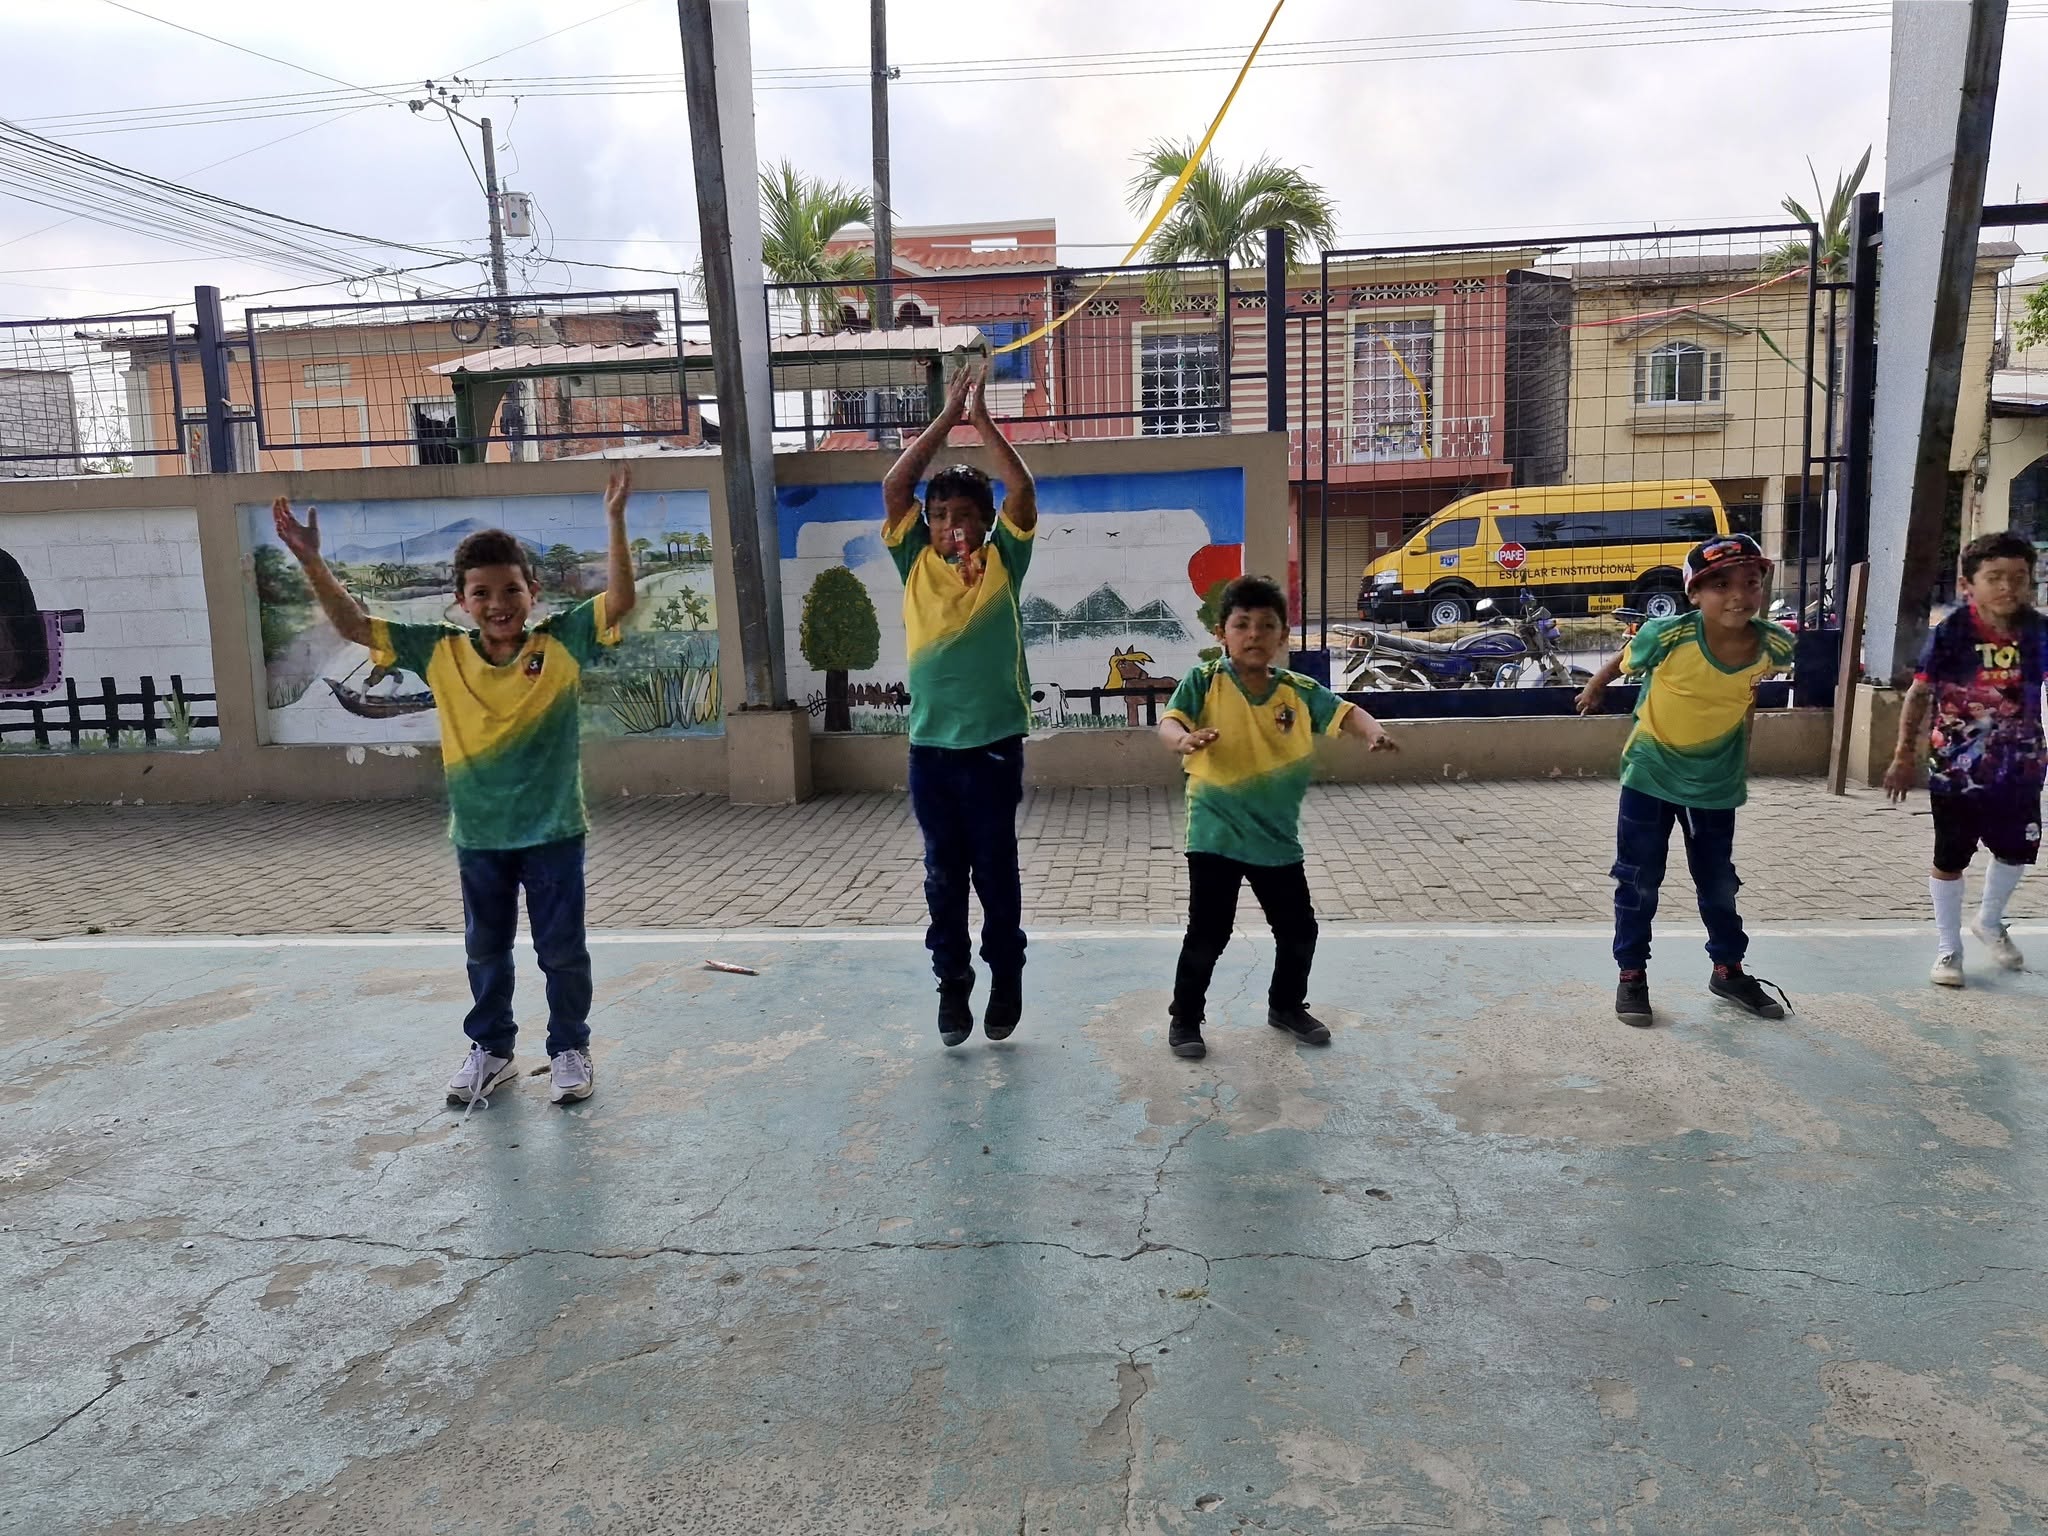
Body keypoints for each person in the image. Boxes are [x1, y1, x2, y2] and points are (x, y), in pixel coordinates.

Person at [271, 469, 638, 1106]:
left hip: (554, 832)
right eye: (482, 592)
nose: (499, 603)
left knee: (561, 953)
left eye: (511, 589)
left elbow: (621, 600)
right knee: (486, 951)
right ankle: (492, 1050)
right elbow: (355, 625)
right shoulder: (439, 651)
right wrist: (310, 559)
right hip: (479, 835)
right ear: (461, 601)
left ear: (533, 593)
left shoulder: (562, 643)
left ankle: (568, 1049)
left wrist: (615, 519)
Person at [1157, 574, 1396, 1060]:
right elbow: (1171, 720)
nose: (1254, 635)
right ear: (1222, 633)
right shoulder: (1203, 681)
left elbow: (1346, 712)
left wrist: (1373, 732)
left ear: (1283, 636)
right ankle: (1185, 1018)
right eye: (1242, 624)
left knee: (1298, 931)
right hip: (1215, 833)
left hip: (1276, 838)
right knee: (1209, 933)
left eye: (1266, 625)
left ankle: (1286, 1006)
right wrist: (1182, 740)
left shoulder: (1297, 690)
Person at [1575, 532, 1795, 1026]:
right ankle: (1631, 973)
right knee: (1638, 880)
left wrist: (1742, 753)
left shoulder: (1770, 644)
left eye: (1751, 582)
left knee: (1718, 882)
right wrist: (1594, 686)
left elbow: (1748, 695)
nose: (1738, 595)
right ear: (1694, 593)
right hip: (1649, 776)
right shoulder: (1667, 634)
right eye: (1721, 585)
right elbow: (1625, 658)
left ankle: (1728, 971)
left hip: (1714, 786)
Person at [881, 363, 1039, 1048]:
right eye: (941, 516)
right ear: (927, 524)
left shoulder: (1005, 562)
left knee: (995, 871)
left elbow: (1022, 489)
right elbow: (895, 487)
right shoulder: (913, 561)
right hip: (931, 753)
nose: (952, 526)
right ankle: (953, 983)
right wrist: (945, 420)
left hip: (994, 746)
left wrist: (982, 423)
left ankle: (1006, 975)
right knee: (943, 876)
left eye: (966, 516)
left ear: (986, 523)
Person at [1883, 530, 2045, 987]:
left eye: (2019, 577)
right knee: (1950, 856)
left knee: (2016, 851)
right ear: (1967, 584)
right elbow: (1919, 694)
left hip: (2020, 767)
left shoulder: (2038, 632)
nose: (2008, 587)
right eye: (1995, 577)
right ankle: (1948, 947)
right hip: (1957, 771)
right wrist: (1903, 755)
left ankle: (1989, 921)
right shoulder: (1952, 634)